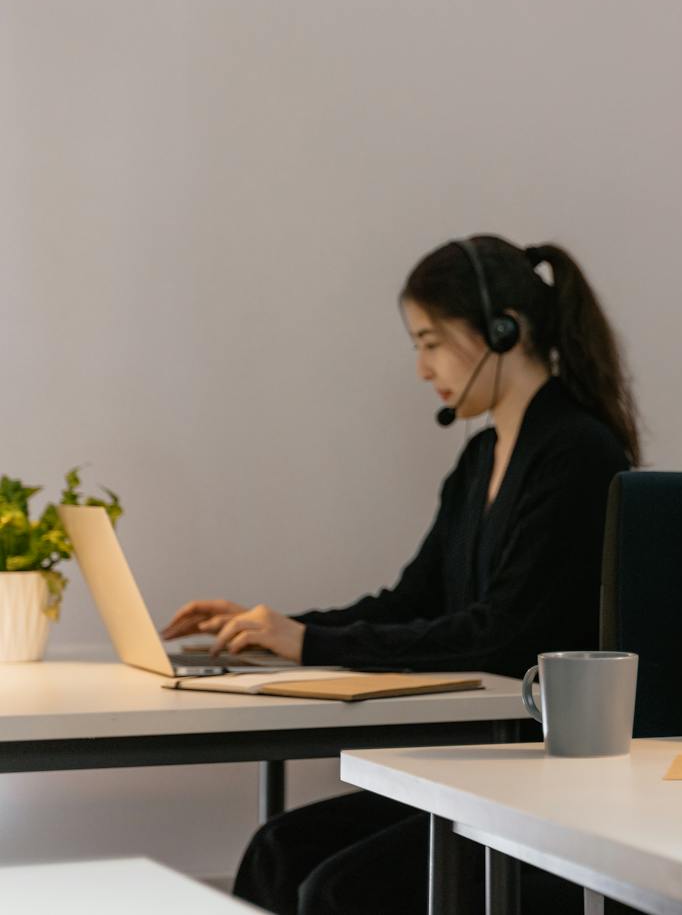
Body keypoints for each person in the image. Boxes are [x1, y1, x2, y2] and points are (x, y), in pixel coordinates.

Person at [163, 235, 636, 915]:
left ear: (504, 331)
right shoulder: (480, 462)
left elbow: (497, 637)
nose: (421, 368)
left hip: (543, 777)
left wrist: (310, 644)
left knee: (337, 887)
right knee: (278, 849)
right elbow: (411, 601)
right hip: (483, 764)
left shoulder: (576, 453)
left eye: (432, 341)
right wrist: (278, 629)